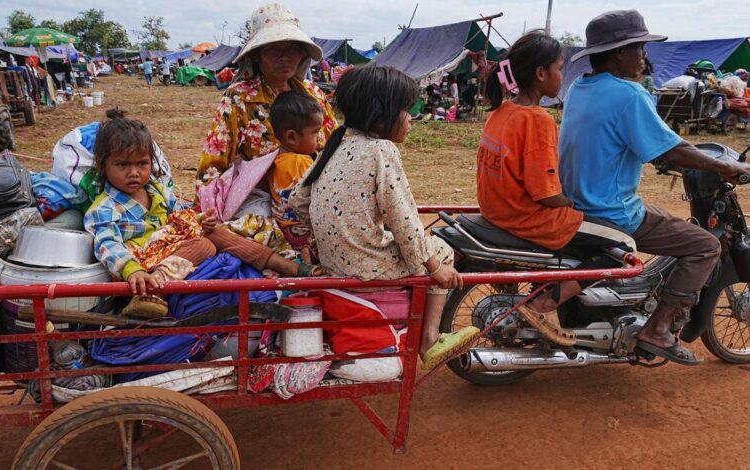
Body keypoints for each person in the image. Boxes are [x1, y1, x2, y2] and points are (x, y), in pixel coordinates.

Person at [559, 10, 750, 364]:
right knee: (704, 246)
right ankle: (658, 330)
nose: (644, 55)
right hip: (610, 212)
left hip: (576, 203)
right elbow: (673, 147)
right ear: (620, 52)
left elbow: (626, 141)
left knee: (664, 218)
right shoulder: (629, 95)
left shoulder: (579, 88)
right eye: (640, 47)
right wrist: (727, 166)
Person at [289, 66, 479, 369]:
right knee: (440, 249)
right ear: (381, 116)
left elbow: (298, 199)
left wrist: (327, 232)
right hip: (367, 265)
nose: (410, 119)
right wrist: (433, 267)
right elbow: (403, 218)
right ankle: (430, 337)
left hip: (333, 260)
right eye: (406, 111)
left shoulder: (336, 144)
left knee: (414, 245)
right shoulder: (381, 150)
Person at [477, 30, 636, 346]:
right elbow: (547, 194)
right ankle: (540, 307)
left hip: (498, 211)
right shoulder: (537, 119)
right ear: (540, 73)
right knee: (624, 247)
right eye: (560, 68)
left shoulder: (502, 110)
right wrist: (574, 204)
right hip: (529, 219)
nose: (562, 77)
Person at [84, 110, 323, 317]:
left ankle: (289, 267)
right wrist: (132, 270)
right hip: (141, 272)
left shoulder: (155, 190)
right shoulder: (103, 209)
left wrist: (200, 219)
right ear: (103, 165)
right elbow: (107, 245)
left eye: (142, 164)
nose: (134, 173)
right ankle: (152, 295)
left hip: (169, 249)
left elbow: (179, 216)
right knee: (205, 246)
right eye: (123, 165)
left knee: (217, 232)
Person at [197, 2, 337, 186]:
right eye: (274, 49)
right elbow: (213, 164)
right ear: (256, 55)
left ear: (302, 54)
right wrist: (210, 203)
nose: (284, 57)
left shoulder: (313, 94)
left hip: (316, 190)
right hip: (260, 199)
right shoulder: (240, 98)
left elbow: (335, 146)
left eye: (292, 48)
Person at [267, 90, 322, 253]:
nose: (319, 138)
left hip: (283, 230)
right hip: (302, 234)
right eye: (316, 132)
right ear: (292, 137)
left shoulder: (273, 159)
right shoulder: (301, 162)